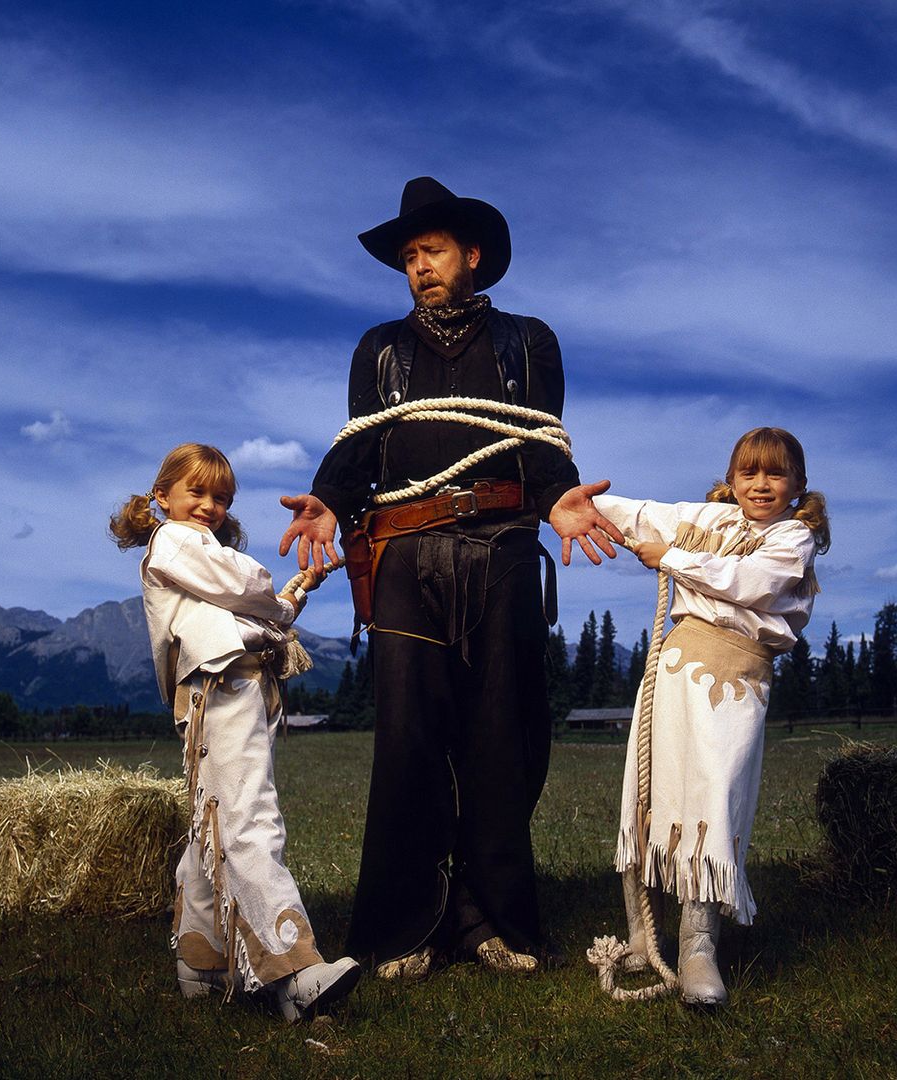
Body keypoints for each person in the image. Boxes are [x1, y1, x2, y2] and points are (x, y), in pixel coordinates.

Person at [277, 177, 624, 980]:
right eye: (407, 258)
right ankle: (403, 932)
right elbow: (362, 442)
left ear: (472, 255)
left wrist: (558, 498)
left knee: (503, 737)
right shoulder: (381, 350)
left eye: (431, 251)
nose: (418, 267)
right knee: (407, 744)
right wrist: (330, 499)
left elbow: (539, 442)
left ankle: (493, 921)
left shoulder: (528, 342)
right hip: (402, 558)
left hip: (500, 548)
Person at [110, 443, 361, 1021]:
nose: (208, 506)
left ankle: (201, 961)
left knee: (216, 818)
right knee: (248, 818)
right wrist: (272, 592)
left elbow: (255, 610)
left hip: (235, 685)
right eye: (196, 492)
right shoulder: (174, 541)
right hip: (217, 685)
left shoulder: (198, 556)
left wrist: (292, 594)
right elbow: (244, 585)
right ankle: (291, 969)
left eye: (220, 498)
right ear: (162, 494)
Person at [591, 426, 828, 1006]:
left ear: (798, 485)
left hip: (737, 682)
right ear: (732, 480)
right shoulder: (711, 521)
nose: (761, 484)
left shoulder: (792, 538)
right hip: (674, 672)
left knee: (714, 799)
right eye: (749, 472)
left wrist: (672, 558)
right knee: (648, 796)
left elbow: (751, 582)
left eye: (775, 473)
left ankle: (698, 950)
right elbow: (641, 513)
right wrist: (571, 500)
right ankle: (643, 936)